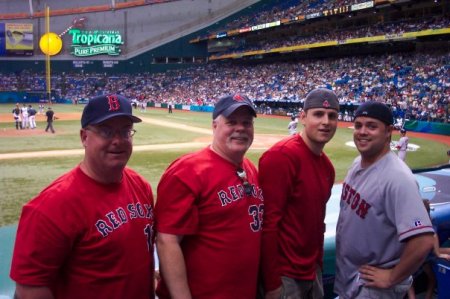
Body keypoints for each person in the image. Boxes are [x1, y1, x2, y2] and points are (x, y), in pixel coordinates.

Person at [10, 94, 155, 299]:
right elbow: (30, 289)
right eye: (106, 131)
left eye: (125, 131)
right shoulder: (51, 206)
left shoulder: (141, 186)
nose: (118, 140)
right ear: (84, 137)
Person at [154, 94, 263, 299]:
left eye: (246, 123)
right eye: (231, 122)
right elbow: (167, 241)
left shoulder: (250, 168)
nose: (240, 128)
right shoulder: (187, 170)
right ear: (214, 126)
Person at [334, 101, 435, 299]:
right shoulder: (357, 163)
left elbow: (423, 240)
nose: (362, 131)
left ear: (388, 131)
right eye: (358, 125)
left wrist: (391, 277)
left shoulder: (397, 178)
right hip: (353, 277)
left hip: (374, 289)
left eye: (371, 126)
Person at [259, 88, 340, 299]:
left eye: (332, 116)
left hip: (312, 271)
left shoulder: (327, 167)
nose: (326, 122)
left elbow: (315, 222)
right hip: (285, 277)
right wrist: (272, 284)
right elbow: (268, 226)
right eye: (318, 114)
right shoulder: (281, 157)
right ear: (303, 117)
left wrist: (318, 265)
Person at [408, 199, 450, 299]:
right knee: (415, 278)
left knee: (410, 279)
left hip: (421, 254)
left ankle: (425, 296)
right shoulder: (427, 222)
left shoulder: (414, 222)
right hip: (422, 254)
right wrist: (438, 253)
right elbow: (433, 236)